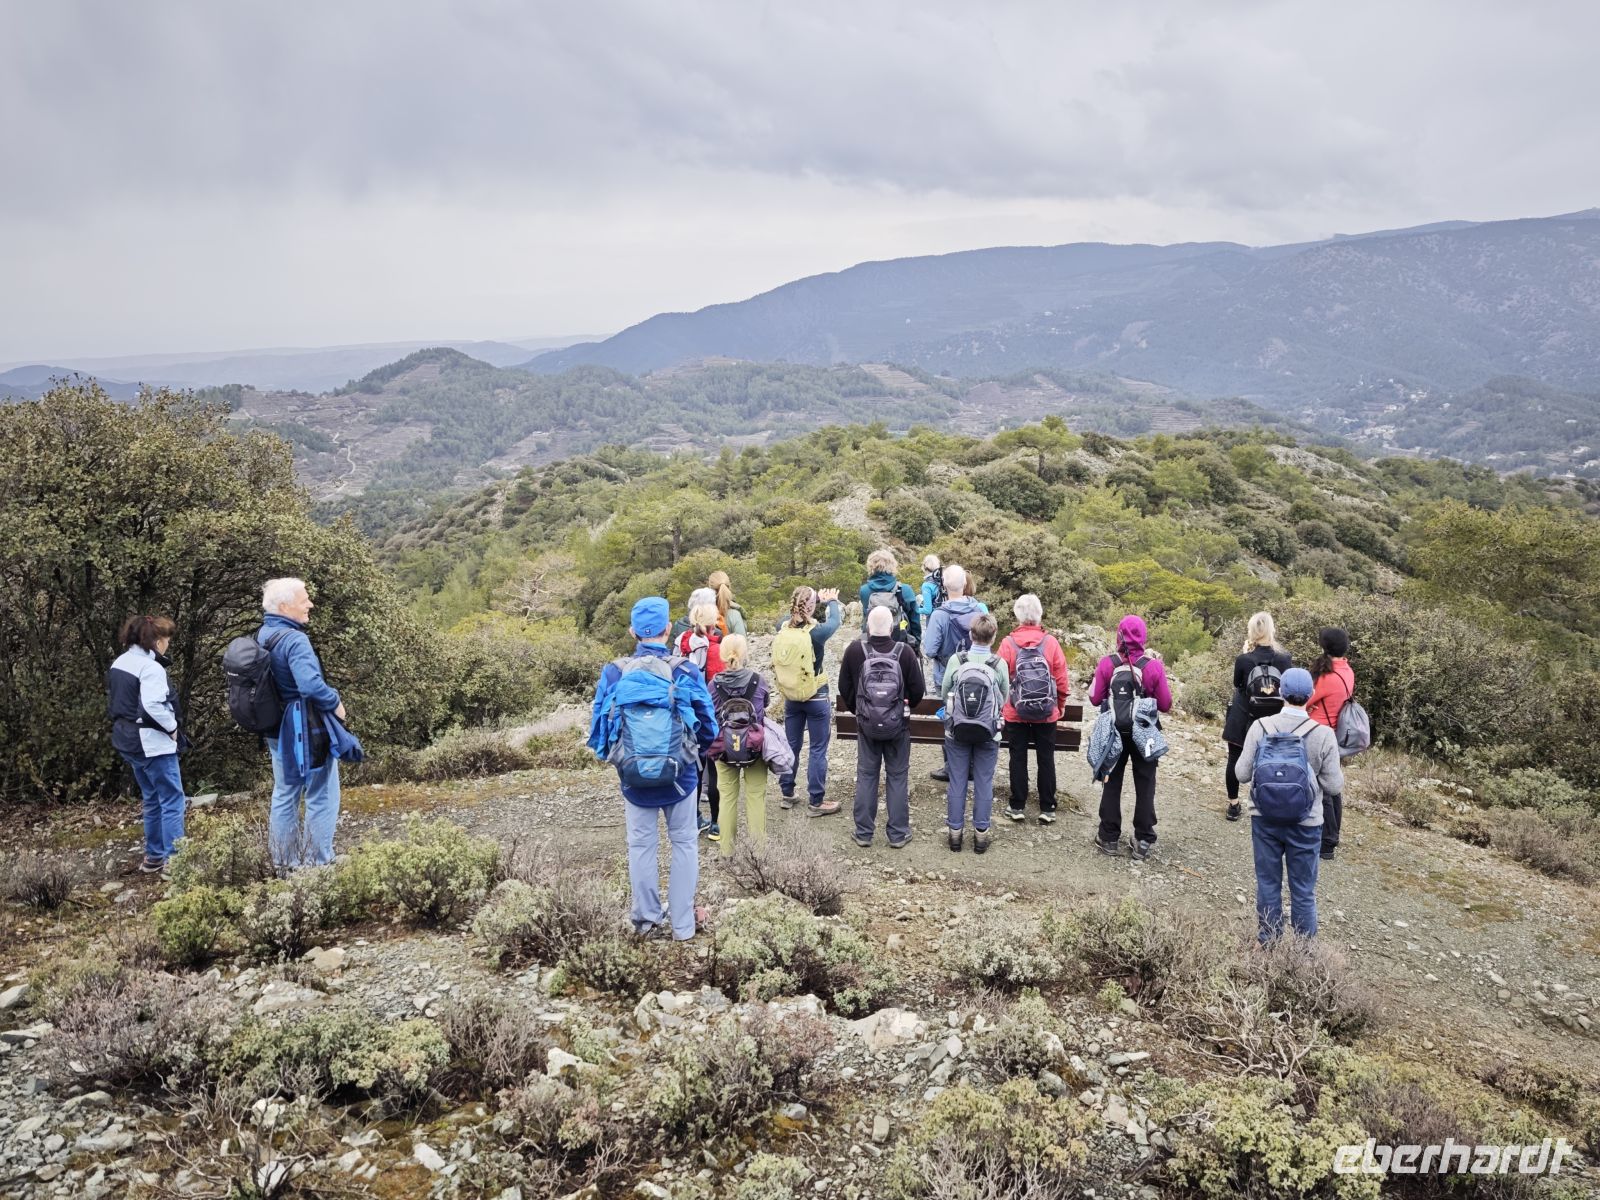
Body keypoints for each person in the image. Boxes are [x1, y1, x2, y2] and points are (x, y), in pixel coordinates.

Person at [588, 597, 718, 940]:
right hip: (681, 777)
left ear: (633, 632)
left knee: (641, 847)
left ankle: (646, 923)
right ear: (668, 629)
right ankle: (683, 926)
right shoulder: (684, 670)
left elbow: (598, 732)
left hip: (633, 779)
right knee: (685, 844)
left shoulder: (614, 672)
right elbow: (709, 727)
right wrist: (693, 753)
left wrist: (623, 760)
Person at [1235, 668, 1343, 942]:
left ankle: (1269, 943)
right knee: (1303, 890)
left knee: (1268, 883)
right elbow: (1333, 787)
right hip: (1306, 823)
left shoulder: (1261, 727)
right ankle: (1303, 955)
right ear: (1310, 696)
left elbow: (1241, 774)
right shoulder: (1323, 734)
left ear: (1281, 692)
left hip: (1264, 819)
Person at [259, 578, 348, 868]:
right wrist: (335, 702)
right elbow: (310, 685)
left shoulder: (264, 634)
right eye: (304, 599)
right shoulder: (295, 639)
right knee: (321, 791)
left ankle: (284, 864)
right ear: (284, 606)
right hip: (303, 729)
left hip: (275, 729)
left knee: (285, 792)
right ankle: (318, 862)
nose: (309, 604)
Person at [838, 604, 925, 848]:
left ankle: (864, 833)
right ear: (892, 627)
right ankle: (898, 833)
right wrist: (897, 712)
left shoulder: (855, 650)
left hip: (866, 728)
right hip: (898, 727)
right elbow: (918, 692)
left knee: (867, 775)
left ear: (868, 626)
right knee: (897, 777)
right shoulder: (905, 651)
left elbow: (844, 688)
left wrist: (861, 713)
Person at [1087, 615, 1173, 860]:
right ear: (1143, 636)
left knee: (1111, 781)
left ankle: (1109, 836)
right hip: (1144, 734)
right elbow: (1166, 704)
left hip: (1114, 732)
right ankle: (1143, 839)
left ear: (1119, 635)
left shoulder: (1108, 664)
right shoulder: (1153, 666)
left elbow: (1094, 698)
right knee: (1146, 784)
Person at [107, 615, 187, 874]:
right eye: (166, 640)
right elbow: (153, 705)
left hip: (127, 741)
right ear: (155, 641)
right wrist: (173, 728)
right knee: (173, 799)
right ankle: (176, 862)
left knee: (152, 798)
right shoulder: (151, 669)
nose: (167, 645)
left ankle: (154, 856)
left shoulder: (120, 662)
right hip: (151, 743)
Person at [996, 594, 1072, 824]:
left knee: (1017, 756)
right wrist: (1060, 705)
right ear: (1040, 615)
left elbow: (999, 680)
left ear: (1018, 615)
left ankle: (1017, 805)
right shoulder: (1051, 643)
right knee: (1045, 758)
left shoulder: (1008, 644)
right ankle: (1047, 807)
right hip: (1046, 712)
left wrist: (1002, 707)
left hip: (1015, 712)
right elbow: (1061, 680)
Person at [772, 586, 842, 815]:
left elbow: (793, 615)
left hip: (791, 696)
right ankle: (816, 801)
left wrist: (813, 601)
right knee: (817, 749)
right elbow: (835, 621)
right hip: (816, 696)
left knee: (792, 745)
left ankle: (787, 793)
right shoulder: (817, 633)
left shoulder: (782, 626)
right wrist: (830, 601)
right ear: (810, 606)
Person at [942, 613, 1008, 852]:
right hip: (989, 734)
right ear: (993, 638)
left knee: (957, 780)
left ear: (971, 635)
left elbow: (945, 694)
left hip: (956, 732)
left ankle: (955, 834)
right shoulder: (998, 664)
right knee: (983, 782)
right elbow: (1004, 699)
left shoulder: (956, 661)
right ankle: (981, 835)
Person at [1221, 612, 1294, 823]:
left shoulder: (1244, 659)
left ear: (1252, 631)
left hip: (1243, 716)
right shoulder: (1284, 658)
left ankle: (1234, 805)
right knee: (1271, 760)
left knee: (1234, 759)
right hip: (1273, 718)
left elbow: (1238, 685)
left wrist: (1246, 654)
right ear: (1272, 630)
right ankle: (1268, 802)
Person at [922, 564, 988, 782]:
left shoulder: (940, 614)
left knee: (949, 719)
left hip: (946, 677)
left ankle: (951, 767)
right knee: (975, 713)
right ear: (965, 583)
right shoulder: (979, 609)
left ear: (943, 585)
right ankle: (972, 766)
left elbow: (930, 649)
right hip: (978, 675)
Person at [706, 634, 768, 856]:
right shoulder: (757, 680)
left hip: (724, 748)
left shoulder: (713, 685)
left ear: (722, 655)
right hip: (754, 747)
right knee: (755, 796)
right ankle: (758, 853)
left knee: (728, 797)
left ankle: (727, 851)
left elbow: (710, 714)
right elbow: (763, 709)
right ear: (744, 654)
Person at [1306, 627, 1355, 860]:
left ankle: (1326, 841)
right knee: (1333, 788)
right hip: (1336, 734)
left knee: (1322, 790)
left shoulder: (1326, 676)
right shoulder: (1347, 671)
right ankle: (1332, 838)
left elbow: (1304, 699)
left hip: (1317, 734)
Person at [679, 602, 725, 838]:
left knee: (694, 769)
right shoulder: (715, 649)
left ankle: (694, 817)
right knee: (714, 769)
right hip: (710, 713)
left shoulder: (681, 643)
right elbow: (719, 684)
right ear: (712, 623)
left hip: (687, 713)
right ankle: (716, 822)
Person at [858, 549, 922, 647]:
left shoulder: (864, 590)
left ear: (871, 567)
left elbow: (866, 617)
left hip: (873, 643)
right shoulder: (905, 590)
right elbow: (915, 619)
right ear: (892, 566)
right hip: (901, 644)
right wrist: (916, 641)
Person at [707, 569, 747, 636]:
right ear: (729, 587)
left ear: (710, 588)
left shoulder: (701, 614)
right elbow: (742, 643)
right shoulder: (735, 615)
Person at [917, 554, 945, 623]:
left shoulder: (927, 585)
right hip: (944, 616)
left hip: (933, 620)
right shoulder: (942, 580)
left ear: (925, 567)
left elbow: (927, 610)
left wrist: (914, 609)